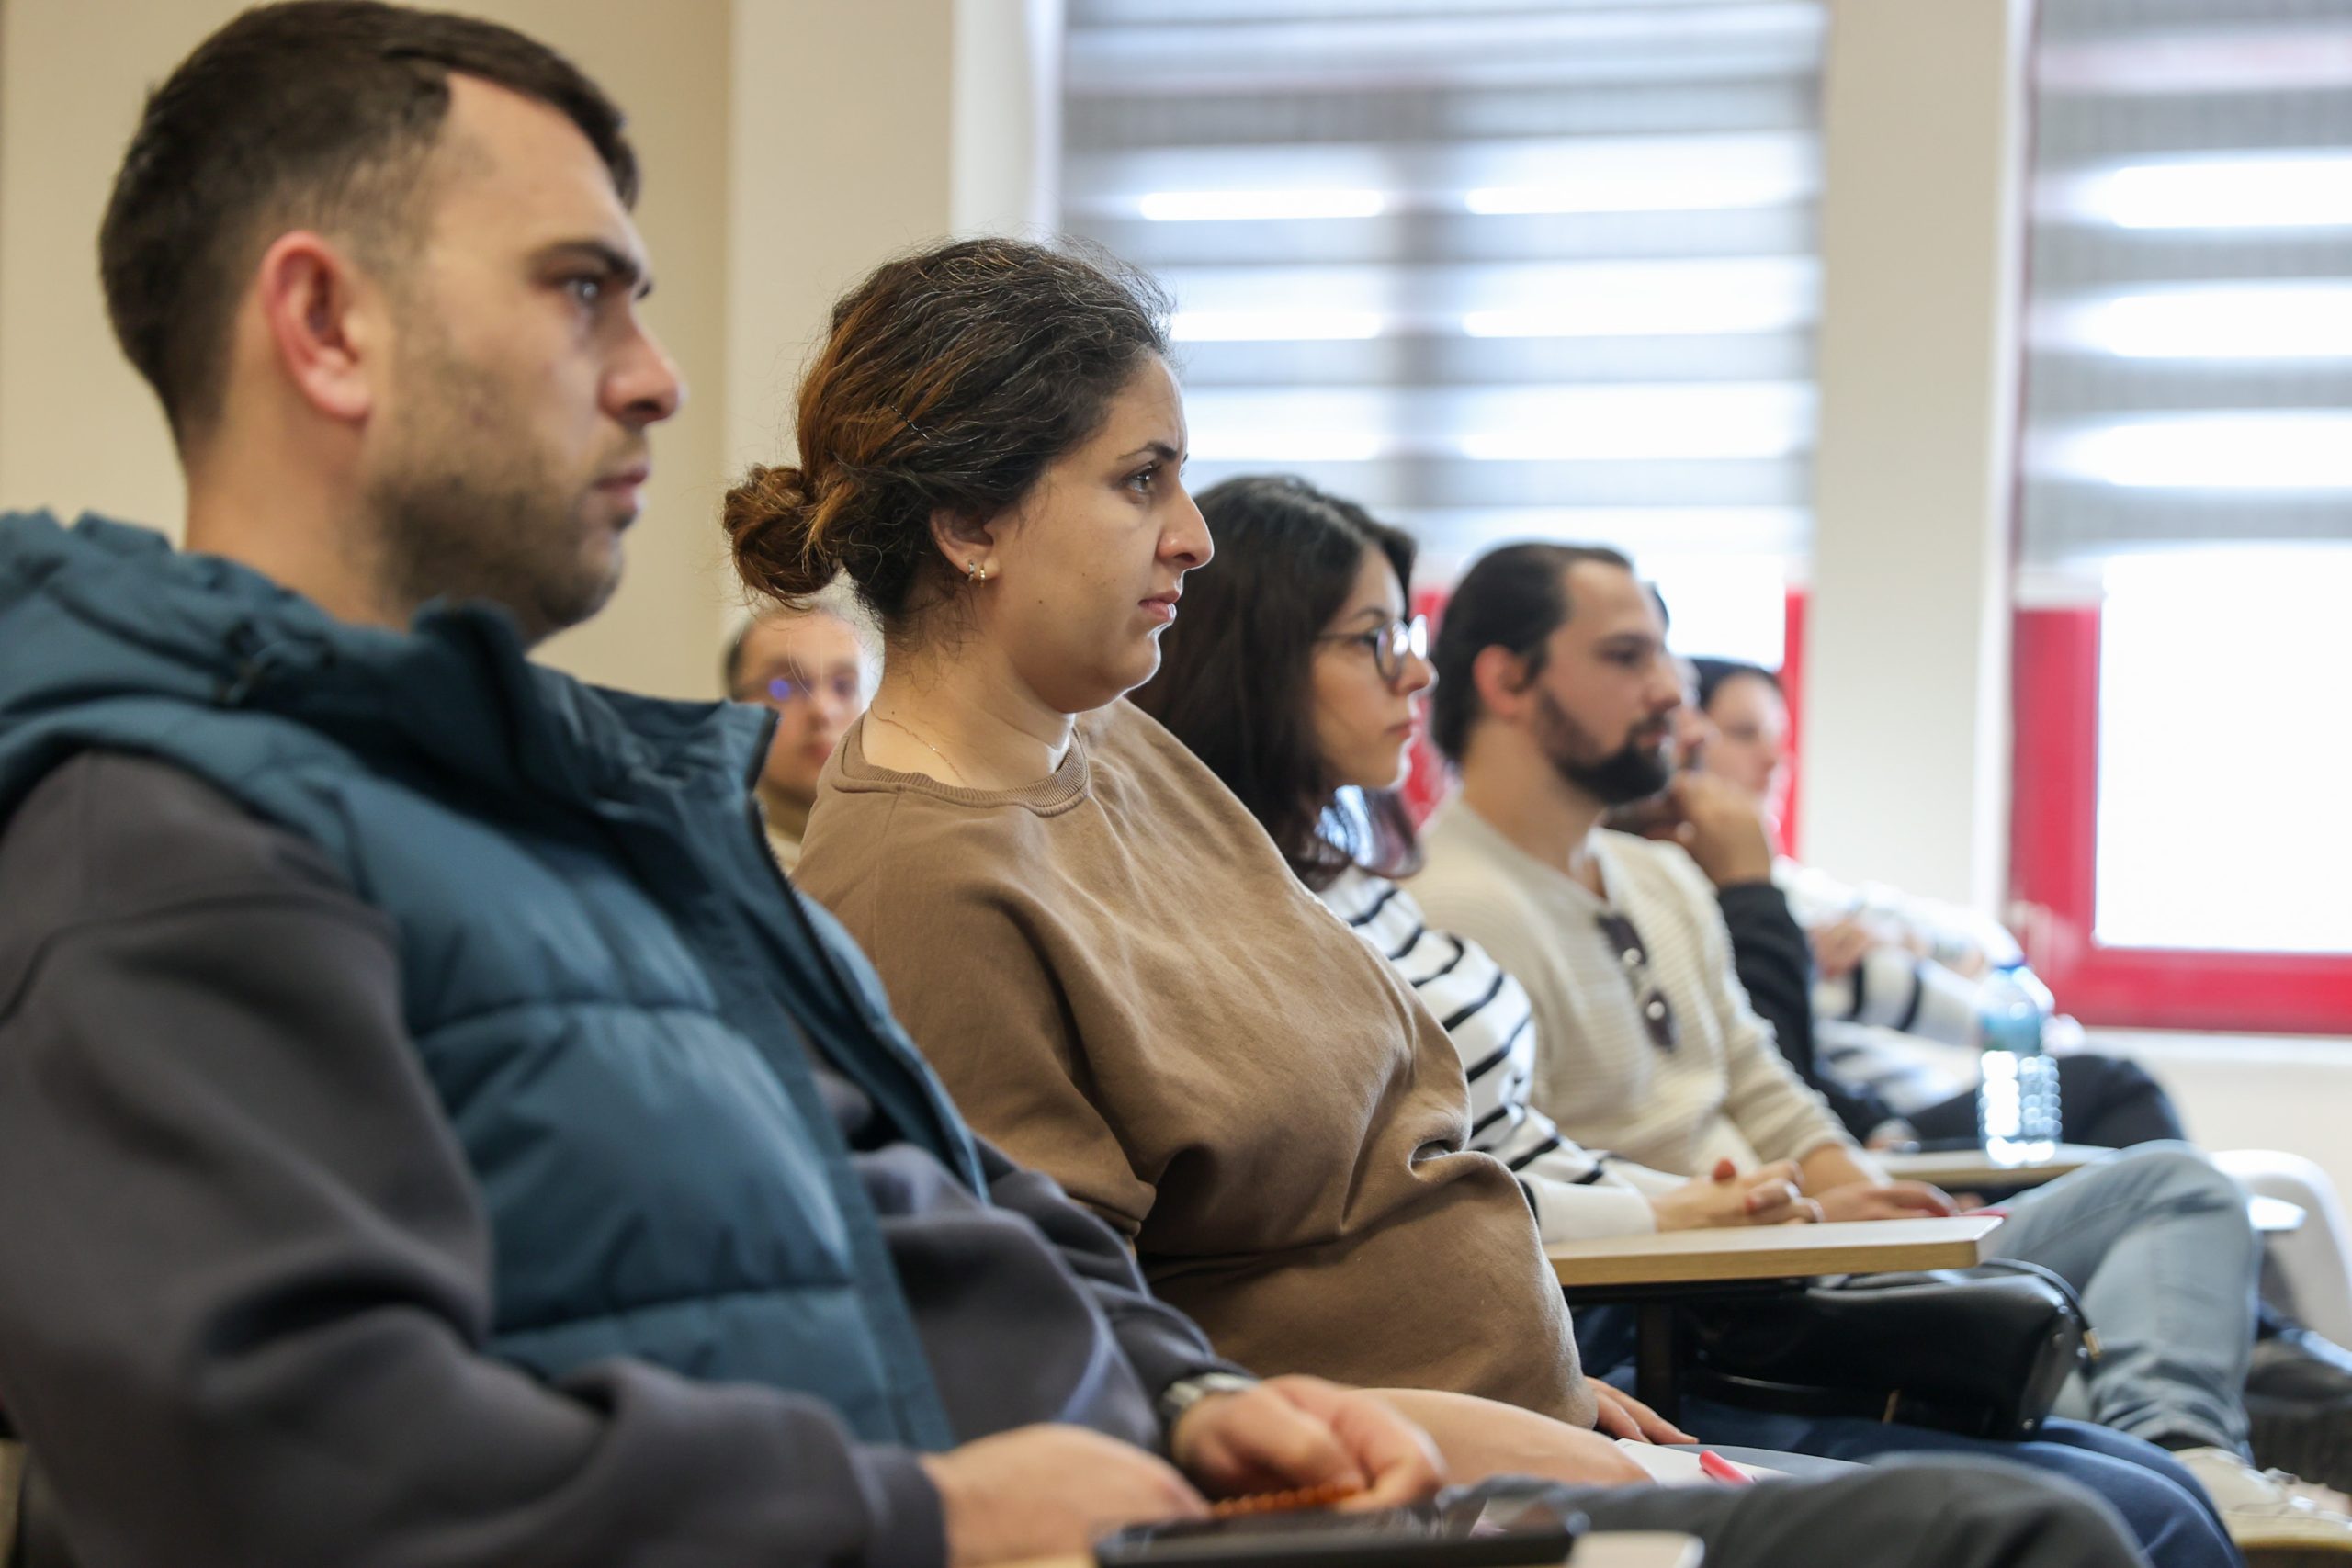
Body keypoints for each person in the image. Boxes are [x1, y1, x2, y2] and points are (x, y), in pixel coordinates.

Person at [0, 7, 1492, 1562]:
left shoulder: (586, 808)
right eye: (581, 291)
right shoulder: (156, 833)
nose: (657, 379)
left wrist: (1185, 1396)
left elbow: (925, 1184)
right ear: (324, 324)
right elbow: (289, 1469)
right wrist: (916, 1515)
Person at [760, 235, 2177, 1568]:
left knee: (2127, 1509)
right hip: (1383, 1495)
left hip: (1532, 1422)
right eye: (1141, 482)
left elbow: (1401, 1164)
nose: (1192, 533)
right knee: (2042, 1534)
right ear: (967, 523)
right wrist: (1480, 1428)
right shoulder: (923, 880)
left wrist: (1549, 1379)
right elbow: (1082, 1353)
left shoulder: (1120, 747)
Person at [1129, 472, 2246, 1568]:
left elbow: (1736, 1083)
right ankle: (2205, 1430)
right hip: (1670, 1317)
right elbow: (1431, 1195)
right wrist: (1682, 1217)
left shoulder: (1422, 888)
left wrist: (1823, 1182)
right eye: (1372, 640)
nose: (1673, 693)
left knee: (2151, 1438)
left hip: (1699, 1281)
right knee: (2112, 1502)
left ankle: (2211, 1432)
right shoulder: (1398, 901)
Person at [1408, 539, 2352, 1561]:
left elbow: (1765, 1078)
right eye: (1629, 657)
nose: (1668, 689)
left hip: (1813, 1257)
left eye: (1665, 657)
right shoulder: (1450, 906)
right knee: (2150, 1501)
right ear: (1507, 679)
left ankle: (2188, 1431)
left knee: (2172, 1191)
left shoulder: (1656, 877)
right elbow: (1524, 1180)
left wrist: (1849, 1183)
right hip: (1704, 1312)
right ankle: (2200, 1422)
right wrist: (1802, 1211)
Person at [1688, 656, 2188, 1152]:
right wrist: (2029, 1038)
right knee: (2114, 1087)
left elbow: (1996, 953)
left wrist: (1904, 935)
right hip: (1882, 1133)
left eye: (1778, 736)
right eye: (1744, 733)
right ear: (1685, 743)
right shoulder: (1729, 905)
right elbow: (1991, 1003)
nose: (1776, 760)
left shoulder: (1805, 891)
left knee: (2116, 1155)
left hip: (1922, 1111)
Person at [725, 600, 871, 868]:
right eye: (785, 686)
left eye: (844, 686)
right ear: (735, 713)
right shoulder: (713, 863)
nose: (823, 710)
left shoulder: (899, 848)